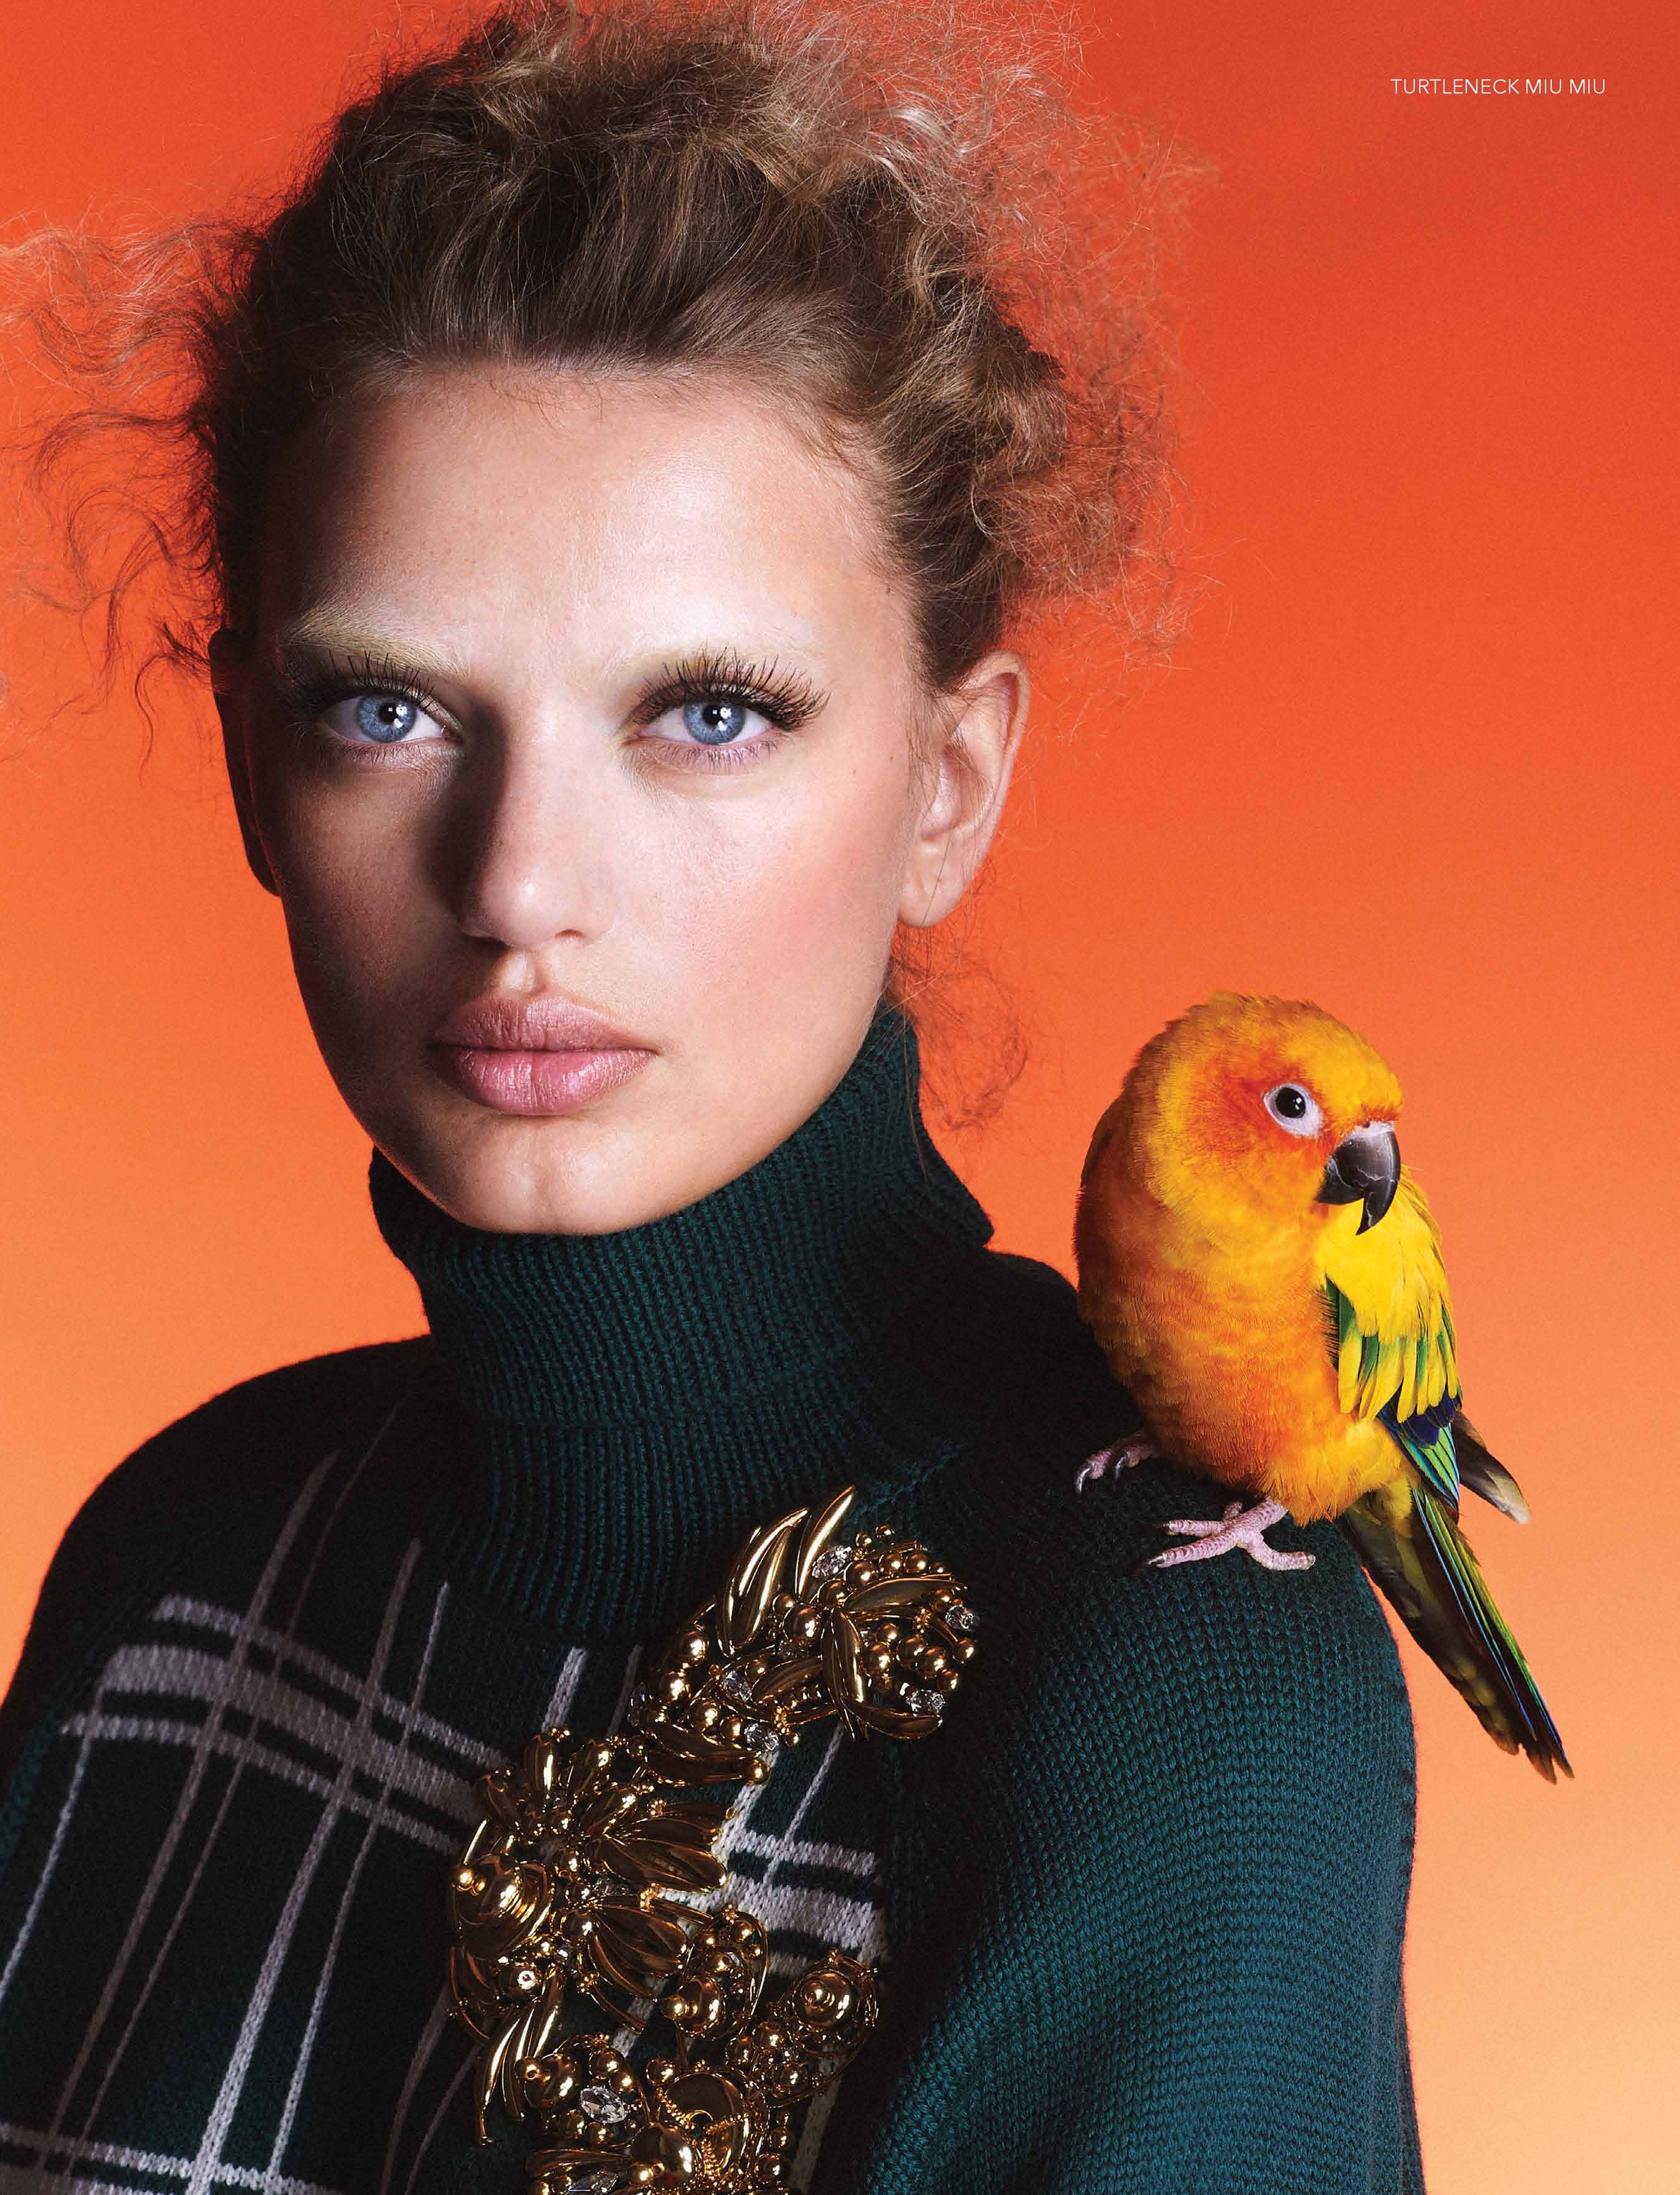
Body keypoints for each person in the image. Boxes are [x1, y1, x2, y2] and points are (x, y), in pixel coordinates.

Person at [0, 6, 1423, 2189]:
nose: (520, 888)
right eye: (388, 709)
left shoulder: (1167, 1684)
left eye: (710, 717)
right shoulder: (183, 1560)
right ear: (250, 765)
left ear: (947, 786)